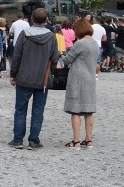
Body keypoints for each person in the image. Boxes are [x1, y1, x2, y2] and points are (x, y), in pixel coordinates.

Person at [8, 9, 60, 150]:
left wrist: (13, 74)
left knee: (20, 110)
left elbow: (16, 56)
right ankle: (34, 140)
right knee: (38, 111)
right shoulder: (51, 36)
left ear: (32, 19)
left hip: (24, 77)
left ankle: (18, 140)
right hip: (42, 79)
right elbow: (55, 58)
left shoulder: (25, 34)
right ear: (46, 20)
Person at [59, 19, 98, 148]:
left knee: (75, 110)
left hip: (77, 79)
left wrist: (60, 57)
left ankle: (76, 141)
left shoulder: (80, 43)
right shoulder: (94, 43)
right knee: (88, 111)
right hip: (90, 79)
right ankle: (88, 140)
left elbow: (67, 60)